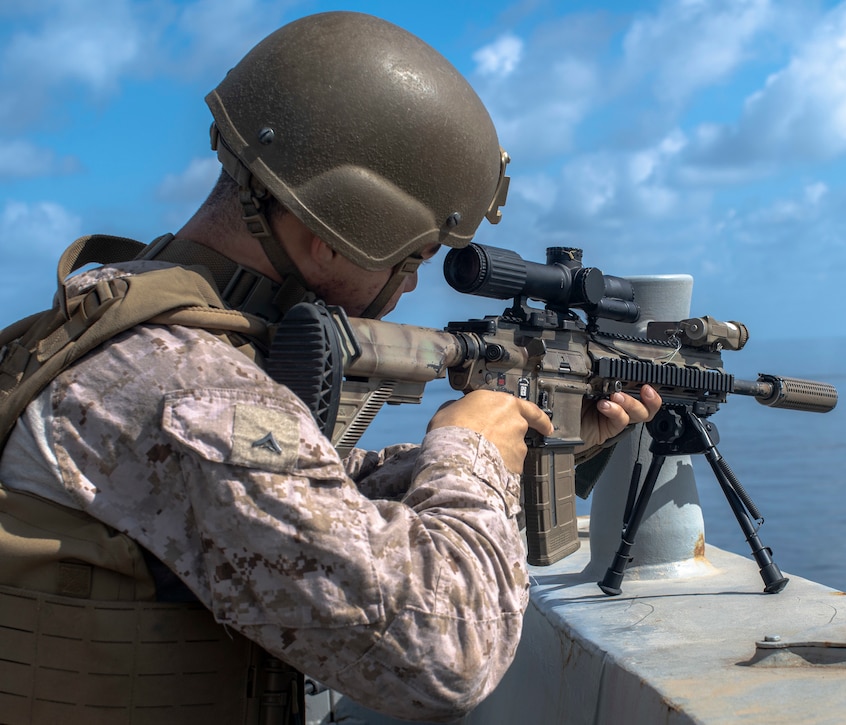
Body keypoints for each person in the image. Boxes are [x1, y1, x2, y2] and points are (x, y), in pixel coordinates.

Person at [0, 11, 660, 725]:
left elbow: (306, 496)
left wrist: (516, 448)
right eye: (410, 260)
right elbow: (445, 654)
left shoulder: (138, 320)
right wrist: (470, 455)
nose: (407, 288)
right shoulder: (192, 391)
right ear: (327, 236)